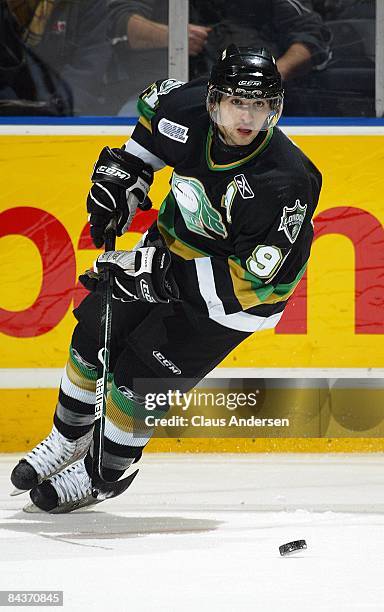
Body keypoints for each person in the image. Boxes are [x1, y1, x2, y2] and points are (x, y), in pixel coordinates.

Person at [11, 45, 322, 513]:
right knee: (92, 334)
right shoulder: (185, 108)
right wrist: (126, 179)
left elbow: (246, 284)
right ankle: (69, 438)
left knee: (137, 379)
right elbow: (150, 133)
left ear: (274, 109)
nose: (249, 117)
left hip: (236, 299)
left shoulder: (285, 183)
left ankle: (106, 473)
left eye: (261, 105)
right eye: (239, 102)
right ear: (214, 101)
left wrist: (153, 277)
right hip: (173, 248)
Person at [105, 0, 331, 116]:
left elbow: (311, 35)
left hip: (252, 99)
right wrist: (172, 36)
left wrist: (266, 80)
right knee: (130, 122)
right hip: (170, 93)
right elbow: (119, 23)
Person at [2, 0, 110, 115]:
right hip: (8, 113)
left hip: (69, 112)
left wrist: (57, 104)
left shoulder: (89, 3)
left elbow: (90, 63)